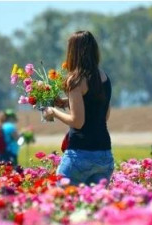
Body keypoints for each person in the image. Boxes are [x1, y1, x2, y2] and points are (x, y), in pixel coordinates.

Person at [42, 30, 114, 186]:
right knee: (94, 206)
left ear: (73, 52)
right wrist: (67, 102)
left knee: (62, 202)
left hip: (79, 155)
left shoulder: (75, 79)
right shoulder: (104, 78)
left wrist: (53, 111)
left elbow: (77, 122)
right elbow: (103, 114)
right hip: (104, 155)